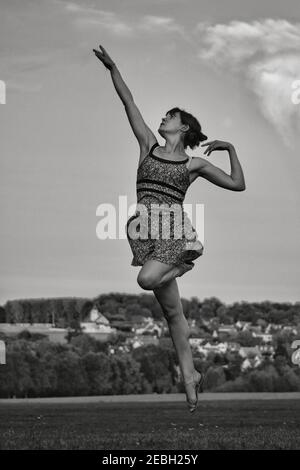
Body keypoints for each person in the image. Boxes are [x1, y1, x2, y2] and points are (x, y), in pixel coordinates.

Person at [93, 45, 246, 412]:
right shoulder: (147, 145)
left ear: (184, 127)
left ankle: (185, 261)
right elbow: (127, 102)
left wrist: (231, 148)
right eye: (163, 115)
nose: (163, 118)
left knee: (146, 281)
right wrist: (114, 68)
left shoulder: (193, 165)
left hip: (173, 232)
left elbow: (238, 184)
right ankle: (191, 380)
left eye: (170, 116)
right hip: (145, 232)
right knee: (173, 314)